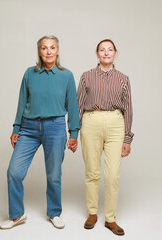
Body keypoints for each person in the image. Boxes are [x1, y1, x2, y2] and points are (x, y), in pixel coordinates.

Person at [0, 35, 79, 230]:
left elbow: (73, 106)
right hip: (28, 128)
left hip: (55, 127)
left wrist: (74, 133)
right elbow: (21, 102)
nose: (49, 51)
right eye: (44, 48)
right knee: (14, 171)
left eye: (52, 47)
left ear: (58, 51)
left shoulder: (66, 75)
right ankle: (17, 215)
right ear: (39, 52)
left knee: (54, 174)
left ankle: (54, 212)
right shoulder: (29, 73)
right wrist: (16, 128)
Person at [77, 39, 134, 235]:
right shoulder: (86, 76)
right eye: (102, 50)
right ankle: (92, 213)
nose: (106, 53)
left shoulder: (123, 78)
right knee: (92, 172)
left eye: (110, 50)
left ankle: (110, 218)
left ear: (115, 53)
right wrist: (73, 134)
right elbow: (78, 104)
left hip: (116, 124)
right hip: (91, 121)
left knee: (112, 175)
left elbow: (128, 109)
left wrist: (127, 138)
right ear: (97, 54)